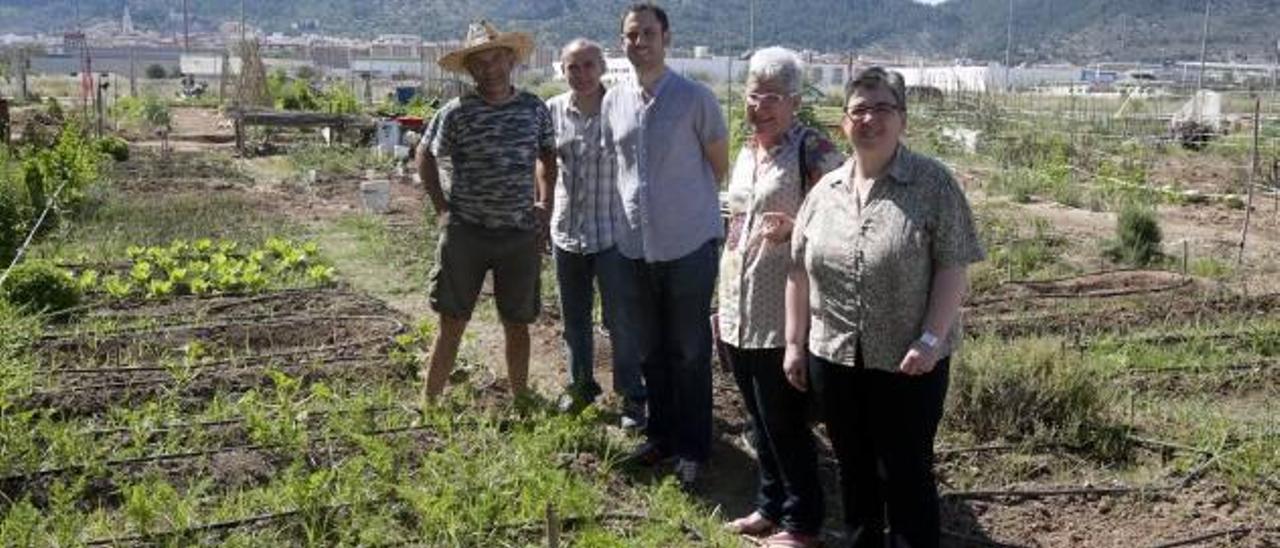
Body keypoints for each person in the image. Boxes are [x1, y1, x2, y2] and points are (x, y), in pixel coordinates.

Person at [784, 66, 985, 548]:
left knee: (907, 469)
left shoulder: (932, 184)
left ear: (902, 120)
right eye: (859, 110)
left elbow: (953, 265)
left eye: (882, 109)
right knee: (853, 467)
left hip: (910, 361)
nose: (870, 119)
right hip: (834, 355)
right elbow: (797, 267)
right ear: (843, 123)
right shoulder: (825, 192)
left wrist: (932, 339)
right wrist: (794, 343)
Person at [718, 47, 844, 547]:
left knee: (786, 423)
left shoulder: (810, 149)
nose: (761, 106)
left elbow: (842, 217)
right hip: (739, 307)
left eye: (772, 97)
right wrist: (720, 299)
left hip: (784, 308)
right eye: (754, 95)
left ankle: (802, 523)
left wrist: (796, 228)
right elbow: (733, 228)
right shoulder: (747, 151)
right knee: (757, 418)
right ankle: (769, 506)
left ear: (794, 101)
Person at [602, 3, 729, 489]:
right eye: (631, 35)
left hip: (688, 245)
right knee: (650, 349)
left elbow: (717, 164)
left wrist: (682, 206)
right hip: (634, 247)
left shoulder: (695, 98)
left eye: (648, 34)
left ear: (667, 38)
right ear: (623, 42)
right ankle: (661, 436)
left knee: (690, 350)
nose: (640, 43)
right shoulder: (615, 101)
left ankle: (694, 447)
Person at [417, 21, 556, 402]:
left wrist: (545, 202)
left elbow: (547, 155)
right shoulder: (457, 112)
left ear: (510, 60)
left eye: (496, 59)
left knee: (517, 322)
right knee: (452, 321)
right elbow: (425, 154)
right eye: (480, 63)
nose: (489, 68)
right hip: (467, 232)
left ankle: (521, 401)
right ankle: (428, 403)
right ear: (470, 69)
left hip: (518, 234)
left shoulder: (533, 109)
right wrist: (442, 209)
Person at [546, 38, 647, 428]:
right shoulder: (553, 110)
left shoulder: (622, 108)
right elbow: (545, 167)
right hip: (568, 232)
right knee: (574, 319)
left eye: (589, 65)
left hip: (612, 233)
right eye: (573, 67)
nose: (582, 74)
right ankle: (581, 387)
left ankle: (632, 396)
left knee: (621, 319)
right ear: (563, 70)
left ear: (603, 66)